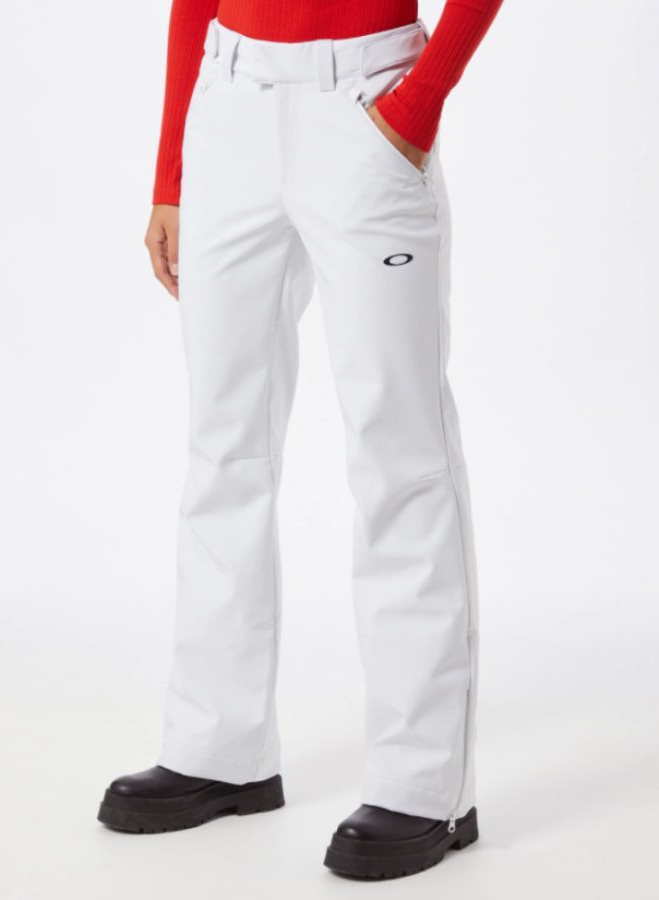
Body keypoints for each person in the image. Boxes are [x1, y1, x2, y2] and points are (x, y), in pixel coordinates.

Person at [97, 0, 504, 880]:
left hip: (366, 102)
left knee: (400, 453)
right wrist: (172, 169)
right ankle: (218, 747)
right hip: (227, 101)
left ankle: (424, 783)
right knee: (223, 443)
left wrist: (418, 104)